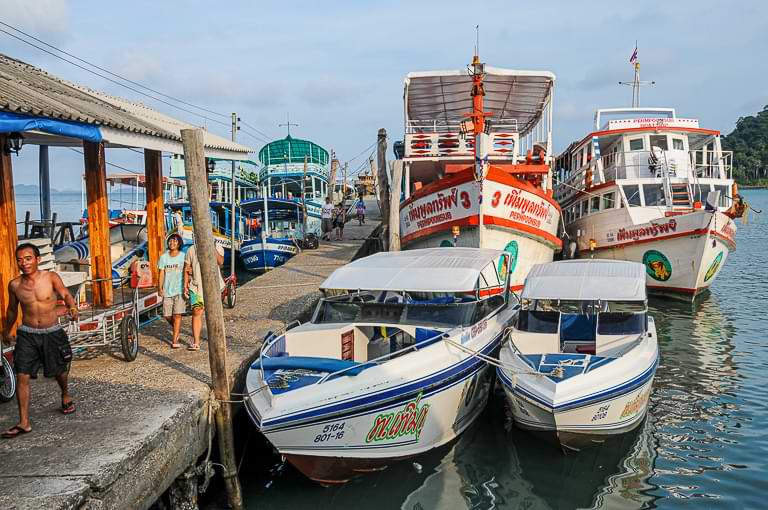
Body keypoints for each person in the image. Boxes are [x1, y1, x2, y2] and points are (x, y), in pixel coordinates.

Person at [2, 243, 78, 439]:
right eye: (20, 260)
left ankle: (65, 394)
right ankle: (24, 422)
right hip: (27, 334)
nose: (24, 263)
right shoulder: (15, 285)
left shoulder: (50, 277)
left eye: (28, 258)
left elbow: (65, 294)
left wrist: (72, 307)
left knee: (59, 371)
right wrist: (5, 330)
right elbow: (12, 310)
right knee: (22, 375)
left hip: (51, 332)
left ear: (37, 259)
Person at [184, 243, 225, 351]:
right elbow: (187, 268)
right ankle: (196, 342)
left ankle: (217, 340)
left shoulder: (218, 247)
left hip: (213, 286)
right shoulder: (191, 249)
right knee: (196, 311)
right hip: (196, 287)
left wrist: (212, 247)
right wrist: (185, 285)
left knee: (214, 313)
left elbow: (220, 261)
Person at [158, 234, 186, 349]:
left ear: (179, 243)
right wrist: (159, 288)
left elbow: (187, 271)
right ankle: (176, 328)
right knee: (167, 315)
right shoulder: (164, 257)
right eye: (170, 241)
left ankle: (174, 339)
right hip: (167, 290)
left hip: (179, 290)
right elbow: (161, 274)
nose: (172, 243)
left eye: (174, 241)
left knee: (177, 315)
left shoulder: (183, 256)